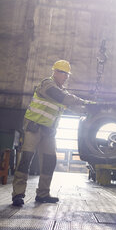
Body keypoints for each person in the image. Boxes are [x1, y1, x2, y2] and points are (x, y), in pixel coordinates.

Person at [12, 60, 95, 206]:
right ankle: (18, 194)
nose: (66, 77)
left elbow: (74, 106)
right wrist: (85, 102)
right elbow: (64, 98)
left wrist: (93, 109)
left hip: (48, 132)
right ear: (55, 72)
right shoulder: (47, 85)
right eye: (63, 73)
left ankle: (43, 194)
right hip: (34, 128)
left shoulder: (62, 92)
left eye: (67, 74)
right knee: (26, 159)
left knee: (50, 161)